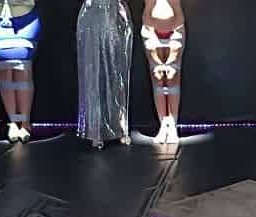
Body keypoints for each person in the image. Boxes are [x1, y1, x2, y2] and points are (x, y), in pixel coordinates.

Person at [76, 0, 134, 149]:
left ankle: (121, 129)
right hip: (92, 17)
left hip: (115, 15)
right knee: (93, 74)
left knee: (118, 73)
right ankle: (95, 131)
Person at [0, 1, 41, 143]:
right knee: (5, 76)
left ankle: (25, 122)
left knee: (22, 73)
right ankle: (13, 122)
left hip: (24, 20)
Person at [141, 1, 186, 144]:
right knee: (158, 76)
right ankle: (163, 125)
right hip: (151, 29)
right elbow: (147, 12)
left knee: (172, 76)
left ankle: (172, 126)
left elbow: (177, 12)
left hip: (175, 28)